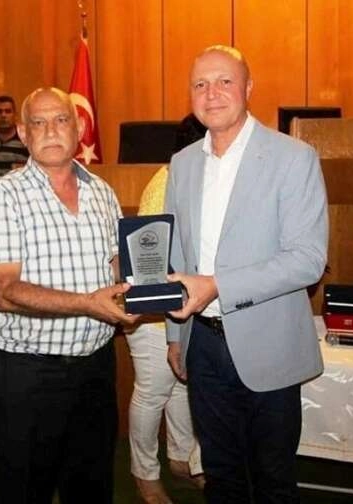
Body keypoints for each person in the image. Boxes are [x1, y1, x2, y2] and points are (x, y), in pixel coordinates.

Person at [164, 45, 328, 503]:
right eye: (200, 84)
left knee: (273, 480)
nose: (211, 93)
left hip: (269, 343)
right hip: (202, 345)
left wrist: (219, 287)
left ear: (249, 88)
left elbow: (308, 259)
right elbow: (177, 253)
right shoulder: (183, 163)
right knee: (221, 476)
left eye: (225, 81)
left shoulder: (293, 157)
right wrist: (175, 337)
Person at [0, 87, 137, 504]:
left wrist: (138, 290)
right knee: (24, 490)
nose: (50, 131)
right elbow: (5, 292)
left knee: (91, 487)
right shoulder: (2, 195)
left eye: (61, 120)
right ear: (23, 133)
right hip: (29, 376)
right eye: (38, 122)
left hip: (96, 371)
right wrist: (88, 304)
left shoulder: (102, 192)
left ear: (79, 127)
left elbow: (115, 264)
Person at [125, 113, 207, 503]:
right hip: (156, 315)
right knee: (153, 392)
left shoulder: (188, 178)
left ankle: (179, 459)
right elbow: (154, 262)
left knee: (178, 387)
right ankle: (144, 473)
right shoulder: (168, 183)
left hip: (181, 310)